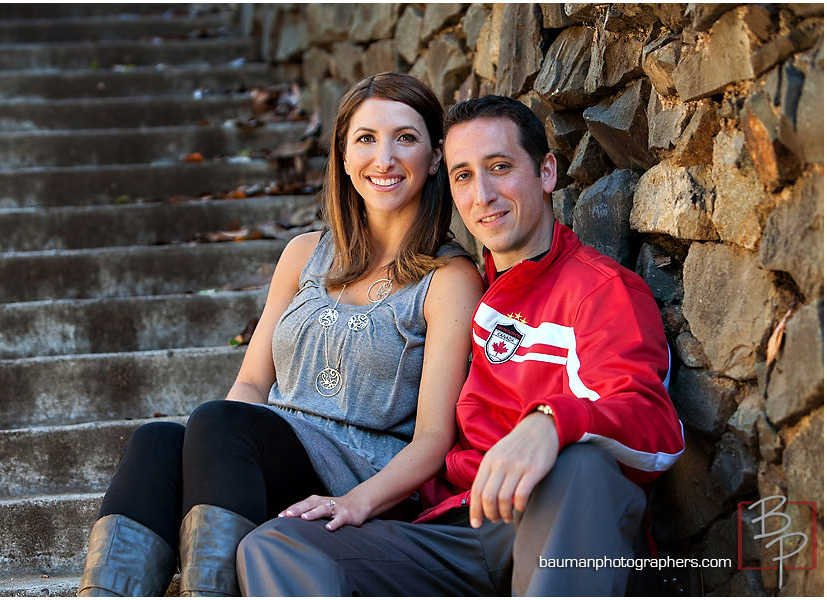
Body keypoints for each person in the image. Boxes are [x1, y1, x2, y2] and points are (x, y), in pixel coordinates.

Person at [237, 95, 686, 596]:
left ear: (547, 172)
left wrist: (551, 422)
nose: (484, 194)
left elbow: (653, 422)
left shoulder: (600, 291)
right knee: (275, 544)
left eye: (500, 168)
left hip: (550, 524)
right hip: (452, 527)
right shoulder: (478, 291)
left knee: (581, 463)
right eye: (464, 175)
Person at [76, 72, 484, 597]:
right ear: (341, 156)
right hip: (270, 454)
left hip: (357, 480)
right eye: (366, 138)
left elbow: (433, 438)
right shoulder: (303, 254)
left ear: (433, 158)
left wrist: (355, 501)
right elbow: (249, 385)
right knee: (158, 443)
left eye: (405, 137)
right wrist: (210, 458)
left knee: (220, 424)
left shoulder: (449, 279)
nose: (383, 158)